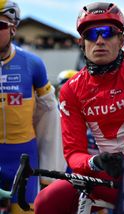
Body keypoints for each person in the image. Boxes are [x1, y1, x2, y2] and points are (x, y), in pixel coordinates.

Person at [34, 2, 124, 213]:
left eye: (108, 32)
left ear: (121, 40)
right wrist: (96, 162)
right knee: (47, 200)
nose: (100, 40)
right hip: (106, 176)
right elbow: (74, 152)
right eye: (91, 34)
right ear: (81, 42)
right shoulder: (71, 89)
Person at [0, 0, 65, 213]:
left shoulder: (32, 63)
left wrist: (50, 170)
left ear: (13, 29)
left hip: (23, 157)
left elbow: (49, 115)